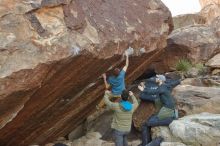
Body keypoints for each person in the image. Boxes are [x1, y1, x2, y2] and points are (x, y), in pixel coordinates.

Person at [138, 75, 180, 146]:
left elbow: (154, 91)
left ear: (160, 80)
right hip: (168, 112)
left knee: (146, 124)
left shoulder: (162, 88)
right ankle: (146, 143)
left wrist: (143, 90)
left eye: (157, 78)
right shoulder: (165, 86)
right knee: (150, 119)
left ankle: (145, 144)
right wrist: (179, 81)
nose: (155, 79)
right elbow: (174, 83)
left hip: (168, 114)